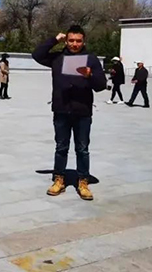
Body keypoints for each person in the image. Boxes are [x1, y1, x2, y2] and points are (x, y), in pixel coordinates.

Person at [32, 25, 106, 201]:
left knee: (82, 148)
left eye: (78, 41)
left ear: (83, 41)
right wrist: (54, 39)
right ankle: (59, 179)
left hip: (82, 111)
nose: (74, 44)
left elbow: (101, 85)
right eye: (71, 40)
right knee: (61, 147)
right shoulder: (58, 58)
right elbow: (37, 55)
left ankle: (83, 181)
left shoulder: (91, 59)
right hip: (61, 109)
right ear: (66, 41)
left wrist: (90, 76)